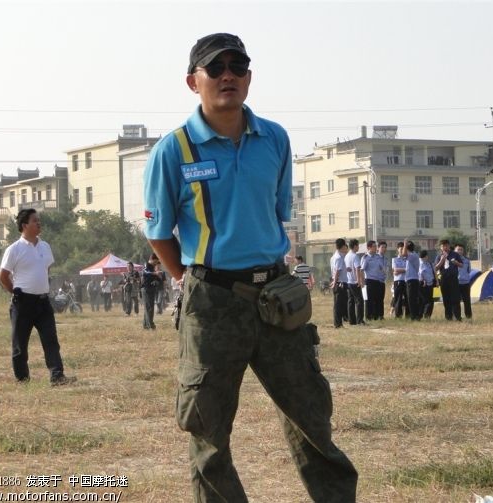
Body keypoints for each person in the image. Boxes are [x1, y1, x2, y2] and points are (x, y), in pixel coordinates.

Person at [143, 33, 357, 501]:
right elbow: (158, 232)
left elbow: (277, 210)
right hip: (212, 302)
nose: (227, 76)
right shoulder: (173, 151)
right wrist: (188, 280)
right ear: (192, 81)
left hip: (277, 295)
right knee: (209, 430)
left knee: (311, 417)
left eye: (237, 67)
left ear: (249, 78)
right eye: (215, 68)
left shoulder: (274, 139)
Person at [0, 208, 75, 385]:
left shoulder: (45, 246)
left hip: (43, 302)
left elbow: (45, 269)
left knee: (51, 341)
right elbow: (2, 276)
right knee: (20, 344)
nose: (39, 223)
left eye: (39, 220)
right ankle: (22, 379)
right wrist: (15, 291)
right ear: (24, 225)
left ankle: (57, 376)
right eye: (35, 221)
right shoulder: (14, 249)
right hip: (23, 303)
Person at [434, 239, 463, 322]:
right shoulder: (439, 256)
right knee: (446, 299)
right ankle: (448, 317)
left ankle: (457, 317)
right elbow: (435, 268)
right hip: (444, 279)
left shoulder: (455, 254)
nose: (445, 247)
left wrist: (456, 263)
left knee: (455, 299)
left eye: (446, 245)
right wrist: (442, 260)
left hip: (453, 279)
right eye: (443, 246)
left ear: (449, 246)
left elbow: (461, 265)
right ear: (441, 247)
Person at [360, 240, 385, 321]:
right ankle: (368, 316)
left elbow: (382, 267)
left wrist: (384, 272)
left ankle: (377, 316)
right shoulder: (366, 258)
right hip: (369, 281)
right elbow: (362, 270)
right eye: (374, 246)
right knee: (369, 300)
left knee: (378, 299)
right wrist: (362, 282)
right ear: (369, 247)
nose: (376, 248)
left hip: (377, 281)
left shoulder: (378, 257)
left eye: (376, 246)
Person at [330, 238, 349, 328]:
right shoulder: (339, 257)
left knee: (340, 303)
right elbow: (337, 271)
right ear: (342, 246)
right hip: (339, 283)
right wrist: (334, 282)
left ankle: (340, 322)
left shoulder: (335, 256)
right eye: (345, 245)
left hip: (338, 281)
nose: (346, 247)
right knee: (338, 304)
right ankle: (338, 324)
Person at [141, 253, 162, 330]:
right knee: (149, 307)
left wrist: (156, 279)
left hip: (150, 288)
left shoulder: (152, 267)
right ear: (153, 259)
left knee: (148, 307)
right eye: (156, 261)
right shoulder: (146, 264)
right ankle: (151, 326)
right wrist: (155, 273)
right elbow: (145, 272)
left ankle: (146, 325)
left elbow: (153, 277)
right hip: (146, 288)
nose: (156, 263)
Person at [401, 240, 421, 321]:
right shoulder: (412, 255)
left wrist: (404, 245)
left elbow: (403, 254)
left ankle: (414, 316)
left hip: (412, 280)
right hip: (412, 280)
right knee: (412, 299)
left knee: (411, 299)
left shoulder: (412, 255)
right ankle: (415, 315)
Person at [345, 239, 363, 325]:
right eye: (358, 245)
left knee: (350, 301)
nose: (358, 247)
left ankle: (352, 321)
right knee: (359, 301)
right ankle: (360, 320)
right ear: (355, 246)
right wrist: (358, 280)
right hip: (354, 282)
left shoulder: (346, 256)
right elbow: (357, 269)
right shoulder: (355, 256)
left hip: (348, 281)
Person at [391, 242, 409, 318]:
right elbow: (395, 270)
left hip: (406, 280)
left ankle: (408, 315)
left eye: (404, 249)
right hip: (398, 281)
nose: (402, 251)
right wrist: (405, 269)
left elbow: (399, 271)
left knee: (408, 298)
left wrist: (400, 270)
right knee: (398, 298)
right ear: (398, 249)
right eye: (401, 249)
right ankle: (398, 316)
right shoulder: (394, 259)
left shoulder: (408, 259)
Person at [455, 244, 473, 319]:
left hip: (465, 282)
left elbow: (469, 270)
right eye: (458, 249)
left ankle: (468, 316)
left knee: (467, 300)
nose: (459, 251)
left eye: (461, 249)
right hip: (456, 283)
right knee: (456, 301)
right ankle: (457, 316)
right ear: (455, 251)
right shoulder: (452, 260)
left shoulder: (466, 260)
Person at [418, 249, 436, 319]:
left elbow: (433, 272)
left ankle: (426, 315)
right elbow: (420, 273)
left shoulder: (428, 263)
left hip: (430, 284)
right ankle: (425, 315)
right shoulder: (420, 263)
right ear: (425, 256)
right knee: (426, 301)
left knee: (429, 300)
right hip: (423, 284)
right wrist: (424, 280)